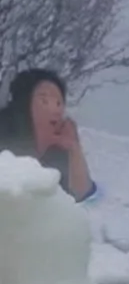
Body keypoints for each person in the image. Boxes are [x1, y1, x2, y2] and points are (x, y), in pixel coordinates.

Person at [0, 68, 99, 203]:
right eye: (45, 102)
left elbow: (83, 197)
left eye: (59, 103)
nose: (56, 111)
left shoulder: (57, 158)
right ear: (23, 107)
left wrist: (74, 148)